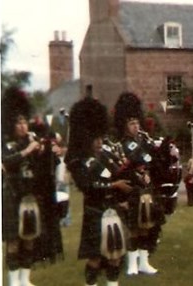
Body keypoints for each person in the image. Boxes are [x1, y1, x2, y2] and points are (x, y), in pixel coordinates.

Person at [65, 96, 132, 286]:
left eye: (101, 137)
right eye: (96, 138)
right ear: (86, 137)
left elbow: (121, 174)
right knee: (94, 258)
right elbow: (86, 186)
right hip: (94, 210)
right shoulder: (77, 161)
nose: (100, 141)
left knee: (115, 255)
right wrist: (114, 186)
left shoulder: (106, 155)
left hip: (113, 209)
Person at [2, 87, 64, 286]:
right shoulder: (5, 143)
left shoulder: (32, 139)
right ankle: (13, 281)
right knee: (13, 241)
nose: (22, 125)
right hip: (12, 194)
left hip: (30, 196)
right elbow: (5, 162)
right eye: (17, 121)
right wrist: (28, 150)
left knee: (29, 237)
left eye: (23, 120)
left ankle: (24, 279)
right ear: (10, 122)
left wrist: (49, 151)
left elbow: (46, 166)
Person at [113, 92, 165, 276]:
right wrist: (137, 173)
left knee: (147, 225)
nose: (136, 126)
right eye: (132, 123)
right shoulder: (121, 144)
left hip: (145, 187)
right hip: (131, 188)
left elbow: (150, 160)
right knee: (134, 227)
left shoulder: (144, 140)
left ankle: (143, 262)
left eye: (137, 122)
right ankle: (132, 264)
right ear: (125, 125)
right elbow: (124, 166)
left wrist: (149, 172)